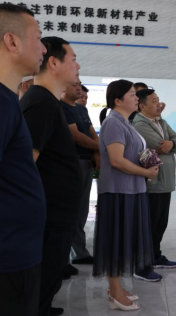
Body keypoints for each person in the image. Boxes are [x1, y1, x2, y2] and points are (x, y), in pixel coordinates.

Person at [20, 36, 82, 316]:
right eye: (73, 59)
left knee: (51, 274)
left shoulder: (48, 101)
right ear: (54, 62)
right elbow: (26, 165)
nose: (77, 66)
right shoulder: (41, 103)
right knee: (44, 275)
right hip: (49, 215)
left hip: (56, 213)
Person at [93, 80, 159, 310]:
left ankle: (117, 287)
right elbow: (117, 160)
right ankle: (114, 292)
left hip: (132, 188)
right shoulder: (113, 122)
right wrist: (145, 172)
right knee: (115, 240)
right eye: (132, 94)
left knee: (124, 239)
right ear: (118, 101)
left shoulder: (125, 122)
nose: (136, 98)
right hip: (118, 191)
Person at [0, 3, 47, 316]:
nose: (43, 48)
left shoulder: (8, 100)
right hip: (8, 261)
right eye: (38, 37)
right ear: (12, 41)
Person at [133, 89, 176, 270]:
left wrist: (172, 143)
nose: (158, 104)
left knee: (161, 222)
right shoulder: (140, 124)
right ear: (142, 106)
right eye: (153, 101)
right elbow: (157, 145)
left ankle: (155, 255)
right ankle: (147, 258)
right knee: (152, 222)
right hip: (154, 182)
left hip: (165, 181)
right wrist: (170, 144)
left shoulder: (161, 121)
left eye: (158, 100)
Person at [60, 77, 99, 266]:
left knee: (82, 210)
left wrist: (97, 151)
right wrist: (102, 149)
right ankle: (64, 257)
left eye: (79, 85)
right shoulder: (61, 107)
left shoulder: (81, 109)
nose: (79, 89)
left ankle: (79, 252)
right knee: (69, 209)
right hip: (71, 163)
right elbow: (76, 136)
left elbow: (91, 133)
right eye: (74, 85)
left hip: (86, 162)